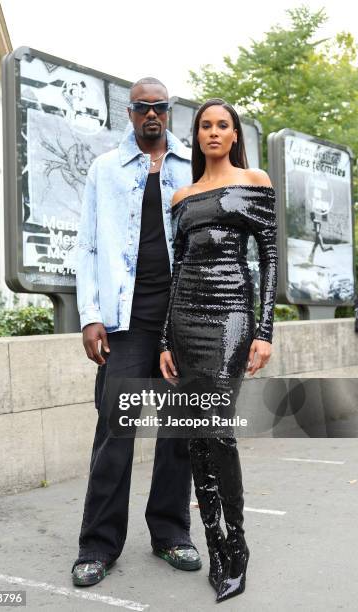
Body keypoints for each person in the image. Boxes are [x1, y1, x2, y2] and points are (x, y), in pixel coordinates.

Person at [73, 77, 201, 587]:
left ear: (170, 112)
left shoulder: (191, 168)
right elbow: (87, 247)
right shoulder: (104, 170)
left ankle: (171, 533)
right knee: (115, 435)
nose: (152, 115)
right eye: (142, 107)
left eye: (160, 107)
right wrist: (90, 314)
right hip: (127, 324)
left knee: (179, 433)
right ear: (129, 113)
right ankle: (98, 545)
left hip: (182, 324)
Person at [160, 98, 278, 602]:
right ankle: (214, 544)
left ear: (234, 135)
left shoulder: (255, 183)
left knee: (218, 431)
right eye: (205, 125)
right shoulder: (182, 197)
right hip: (186, 318)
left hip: (231, 315)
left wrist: (265, 330)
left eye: (222, 125)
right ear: (198, 136)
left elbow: (270, 258)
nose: (213, 132)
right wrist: (166, 338)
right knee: (194, 436)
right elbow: (177, 268)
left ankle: (239, 544)